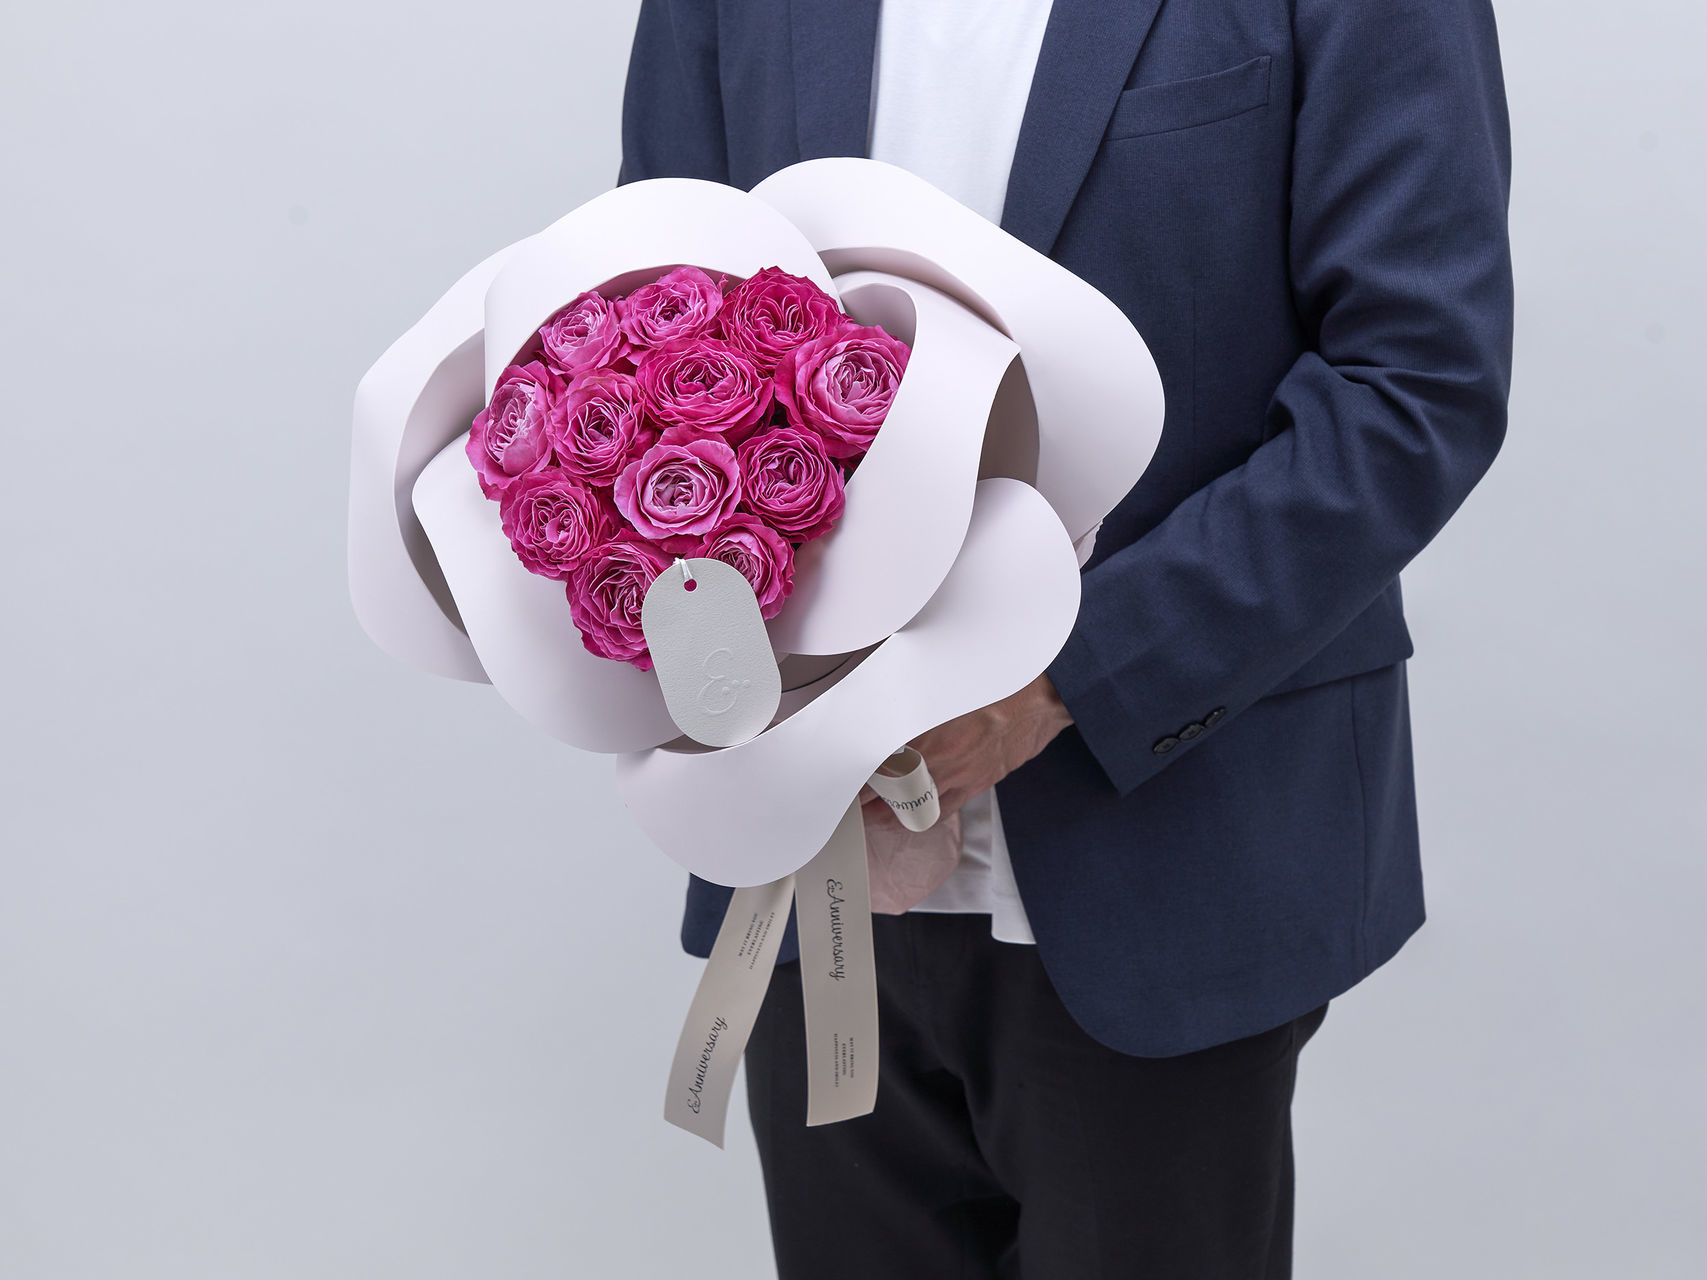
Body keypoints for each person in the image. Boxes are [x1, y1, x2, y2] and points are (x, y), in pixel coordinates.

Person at [620, 1, 1513, 1276]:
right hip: (809, 862)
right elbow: (648, 327)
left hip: (1165, 842)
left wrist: (1063, 680)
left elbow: (1414, 381)